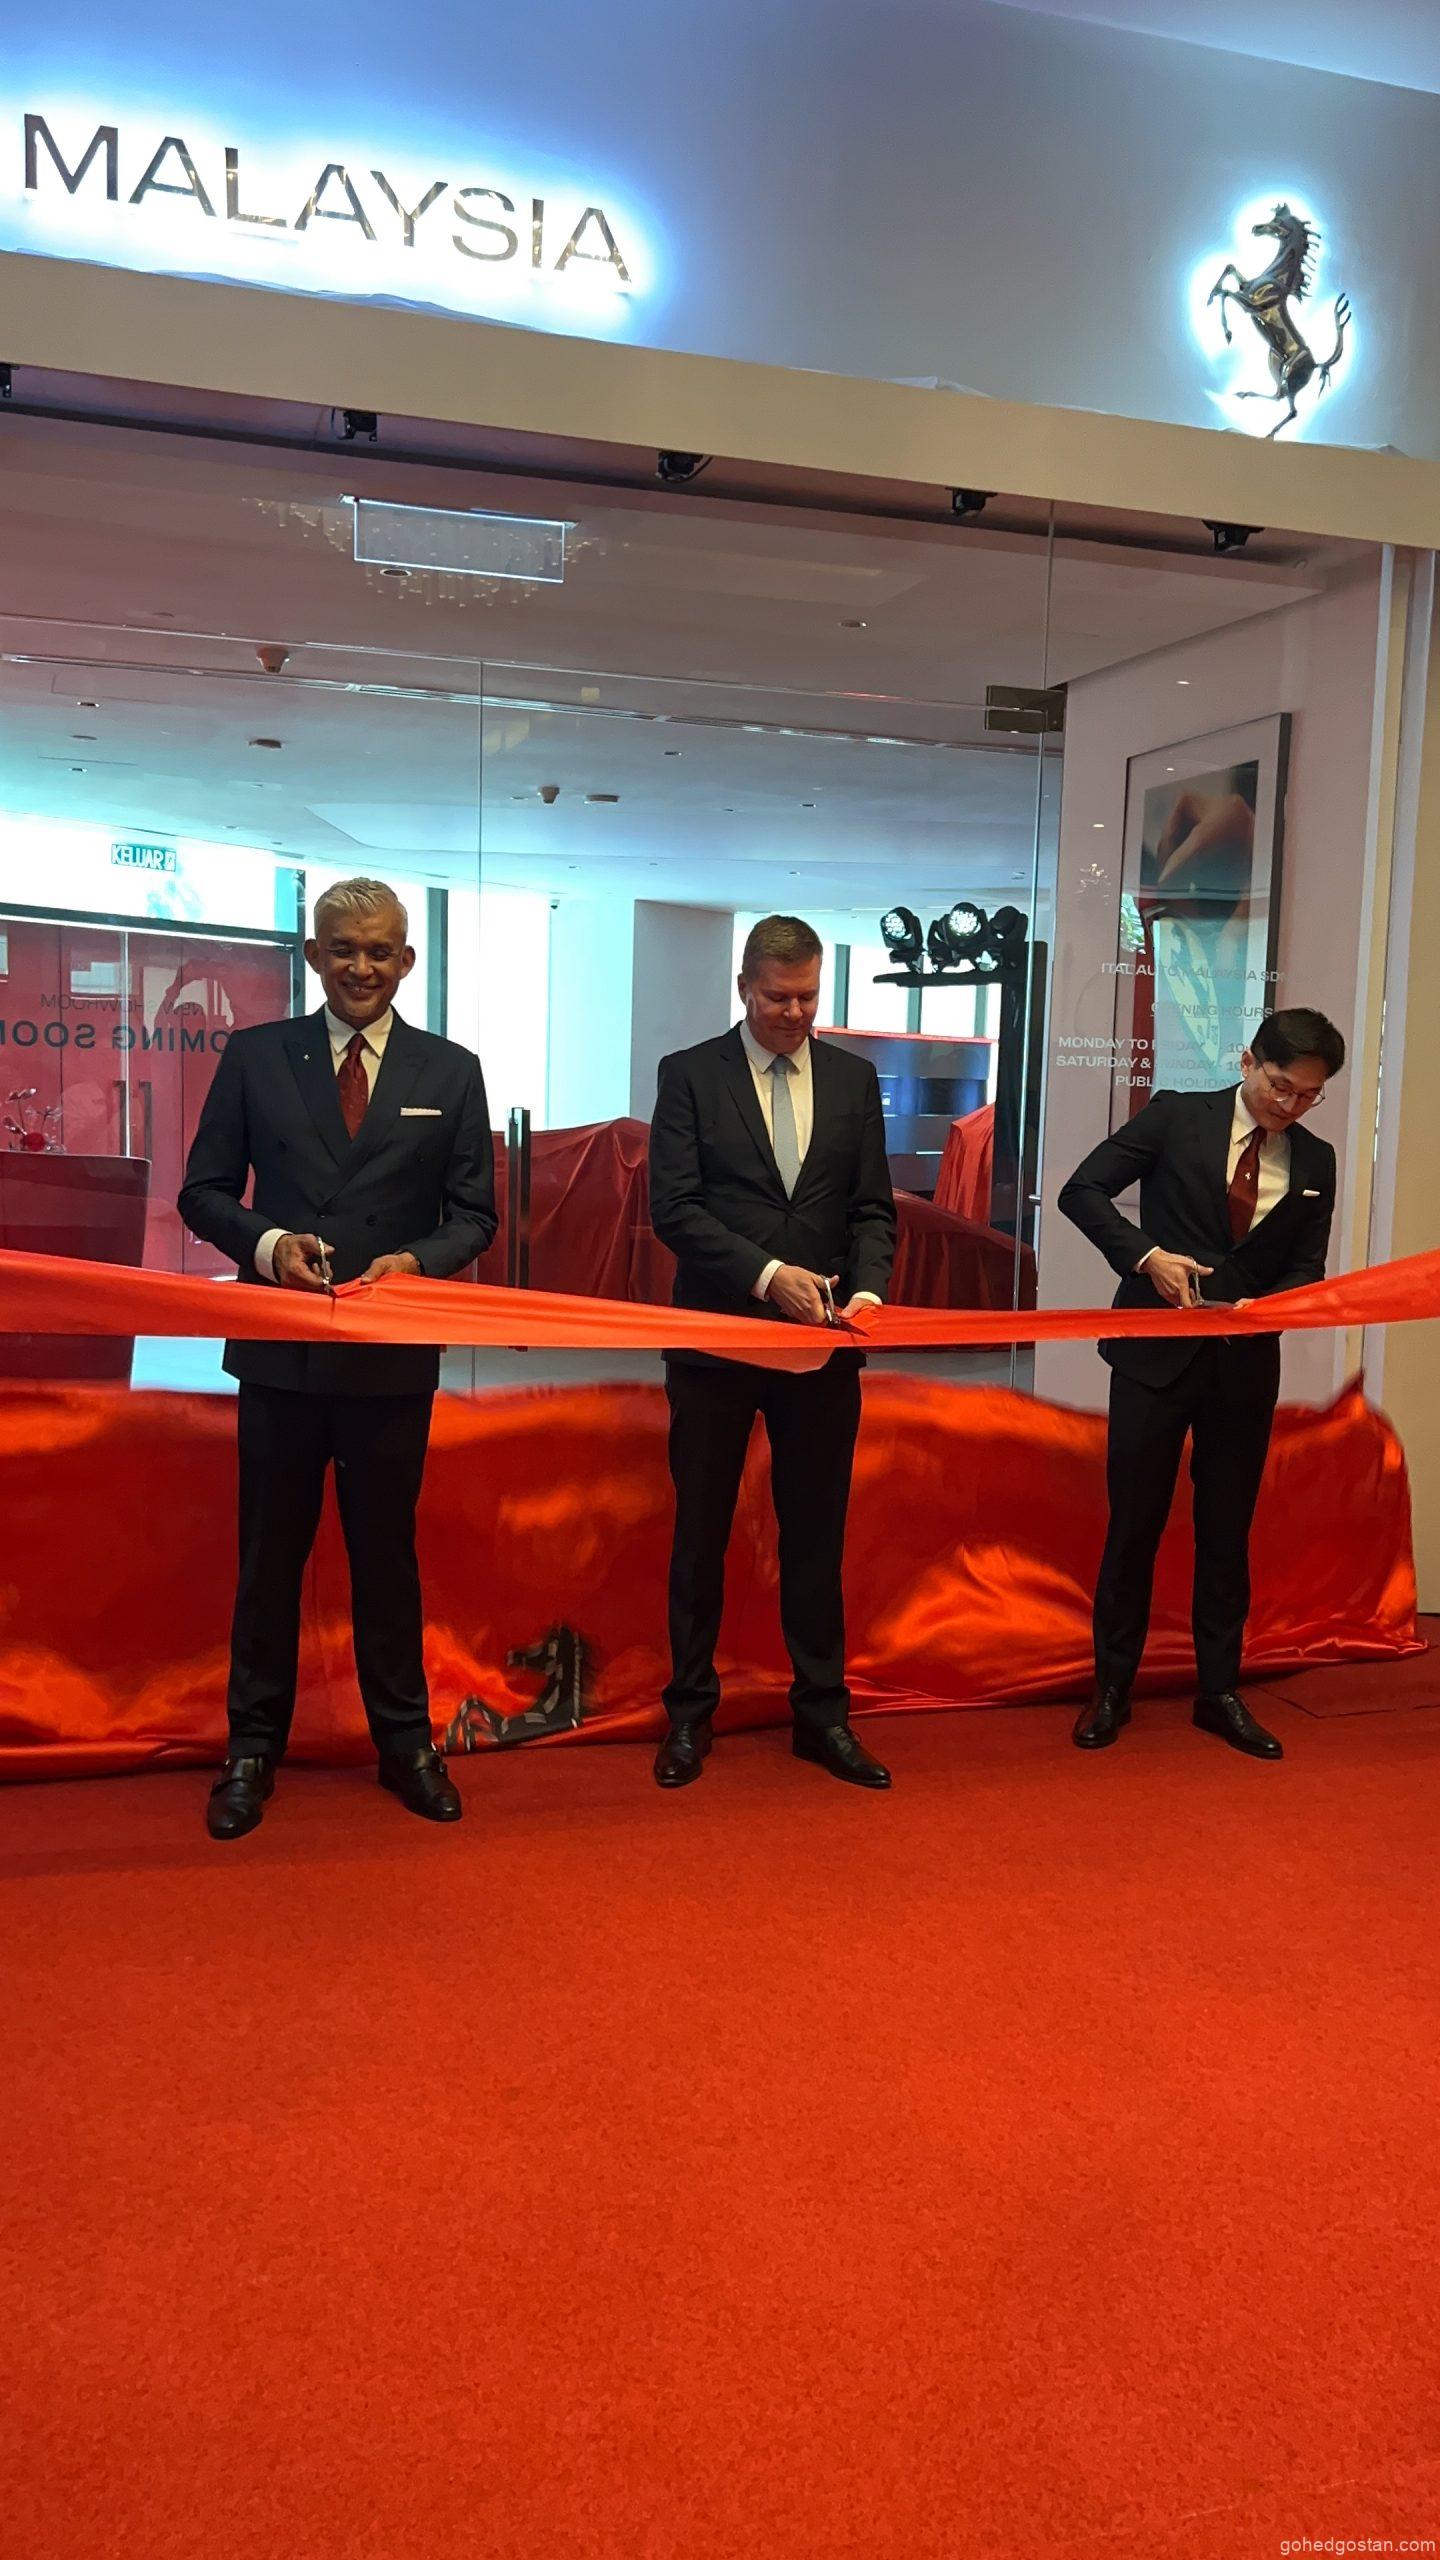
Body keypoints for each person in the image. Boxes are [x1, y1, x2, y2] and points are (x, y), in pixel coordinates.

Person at [178, 877, 496, 1839]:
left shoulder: (453, 1071)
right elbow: (203, 1192)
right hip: (280, 1354)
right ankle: (250, 1750)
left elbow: (475, 1215)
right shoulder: (255, 1055)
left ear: (407, 960)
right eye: (344, 949)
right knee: (267, 1563)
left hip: (390, 1359)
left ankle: (404, 1744)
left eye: (381, 950)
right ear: (314, 954)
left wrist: (418, 1263)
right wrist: (269, 1245)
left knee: (386, 1562)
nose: (363, 967)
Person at [647, 914, 897, 1790]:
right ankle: (689, 1715)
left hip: (826, 1348)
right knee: (701, 1535)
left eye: (808, 997)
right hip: (717, 1343)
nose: (795, 1013)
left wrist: (868, 1290)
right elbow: (674, 1209)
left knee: (817, 1537)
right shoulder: (690, 1075)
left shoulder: (853, 1079)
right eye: (777, 997)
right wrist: (766, 1277)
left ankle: (822, 1715)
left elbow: (872, 1208)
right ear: (744, 988)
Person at [1058, 1007, 1345, 1759]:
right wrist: (1146, 1256)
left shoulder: (1316, 1161)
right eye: (1280, 1085)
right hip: (1154, 1358)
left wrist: (1270, 1306)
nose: (1290, 1105)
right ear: (1248, 1061)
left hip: (1243, 1367)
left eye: (1308, 1095)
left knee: (1226, 1531)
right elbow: (1081, 1191)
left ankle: (1219, 1690)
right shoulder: (1177, 1118)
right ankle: (1111, 1688)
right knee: (1134, 1525)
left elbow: (1307, 1267)